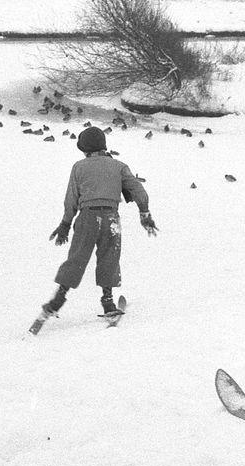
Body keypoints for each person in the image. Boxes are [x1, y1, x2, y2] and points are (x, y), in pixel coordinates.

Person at [33, 126, 155, 328]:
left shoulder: (79, 167)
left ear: (85, 148)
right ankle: (108, 302)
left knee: (77, 258)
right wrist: (145, 213)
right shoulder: (119, 166)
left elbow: (71, 199)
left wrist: (65, 224)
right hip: (111, 218)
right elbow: (139, 191)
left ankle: (58, 300)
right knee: (109, 258)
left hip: (87, 218)